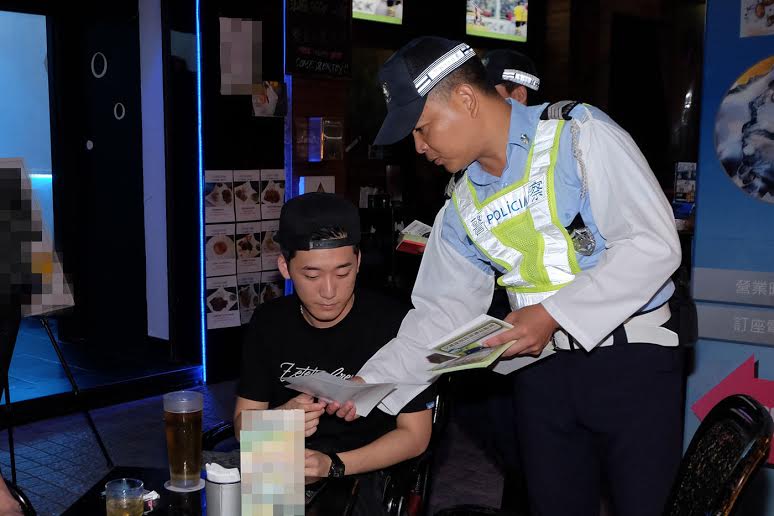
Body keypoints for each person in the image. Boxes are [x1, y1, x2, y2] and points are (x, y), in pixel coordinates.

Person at [334, 36, 684, 516]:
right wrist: (367, 383)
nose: (419, 147)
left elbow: (651, 244)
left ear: (465, 98)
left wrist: (553, 313)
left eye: (423, 128)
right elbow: (442, 312)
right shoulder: (460, 203)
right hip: (538, 371)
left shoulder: (577, 135)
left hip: (632, 360)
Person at [234, 192, 434, 515]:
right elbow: (242, 427)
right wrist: (280, 419)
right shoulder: (269, 322)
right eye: (312, 275)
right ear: (285, 267)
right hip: (280, 461)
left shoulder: (394, 323)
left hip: (363, 467)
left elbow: (416, 436)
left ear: (358, 261)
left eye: (343, 273)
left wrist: (333, 466)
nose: (329, 291)